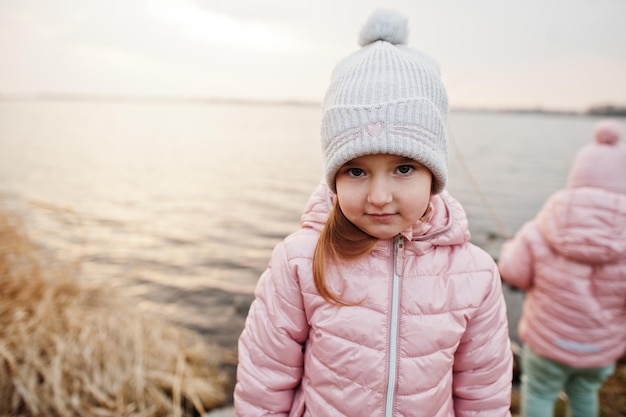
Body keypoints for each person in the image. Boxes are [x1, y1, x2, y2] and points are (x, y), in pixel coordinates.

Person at [234, 9, 513, 417]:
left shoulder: (475, 274)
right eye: (356, 171)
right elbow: (265, 378)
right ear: (334, 176)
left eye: (404, 168)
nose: (379, 196)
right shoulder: (299, 261)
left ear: (433, 174)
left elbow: (483, 392)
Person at [497, 119, 626, 417]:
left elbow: (514, 273)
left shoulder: (541, 226)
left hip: (546, 341)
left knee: (539, 392)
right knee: (584, 393)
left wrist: (507, 249)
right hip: (601, 349)